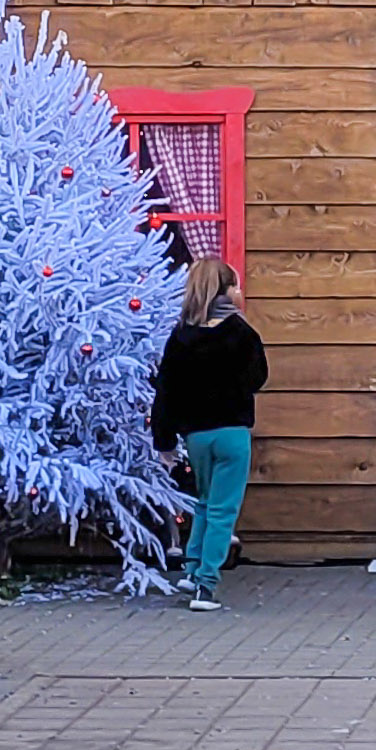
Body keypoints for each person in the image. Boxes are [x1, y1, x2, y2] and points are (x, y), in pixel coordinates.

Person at [151, 258, 269, 612]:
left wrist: (165, 442)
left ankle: (191, 568)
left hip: (196, 437)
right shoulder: (242, 333)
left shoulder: (182, 335)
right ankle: (206, 584)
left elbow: (165, 391)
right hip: (232, 434)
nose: (239, 291)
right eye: (234, 286)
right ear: (222, 292)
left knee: (203, 502)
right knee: (222, 510)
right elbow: (258, 378)